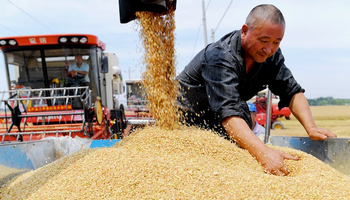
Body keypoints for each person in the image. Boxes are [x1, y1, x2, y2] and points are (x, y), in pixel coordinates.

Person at [176, 4, 337, 176]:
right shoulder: (220, 56)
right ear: (245, 31)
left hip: (217, 125)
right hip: (184, 125)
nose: (269, 49)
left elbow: (291, 90)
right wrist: (264, 153)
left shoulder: (270, 57)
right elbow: (229, 112)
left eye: (276, 42)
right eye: (264, 40)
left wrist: (311, 127)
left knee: (243, 118)